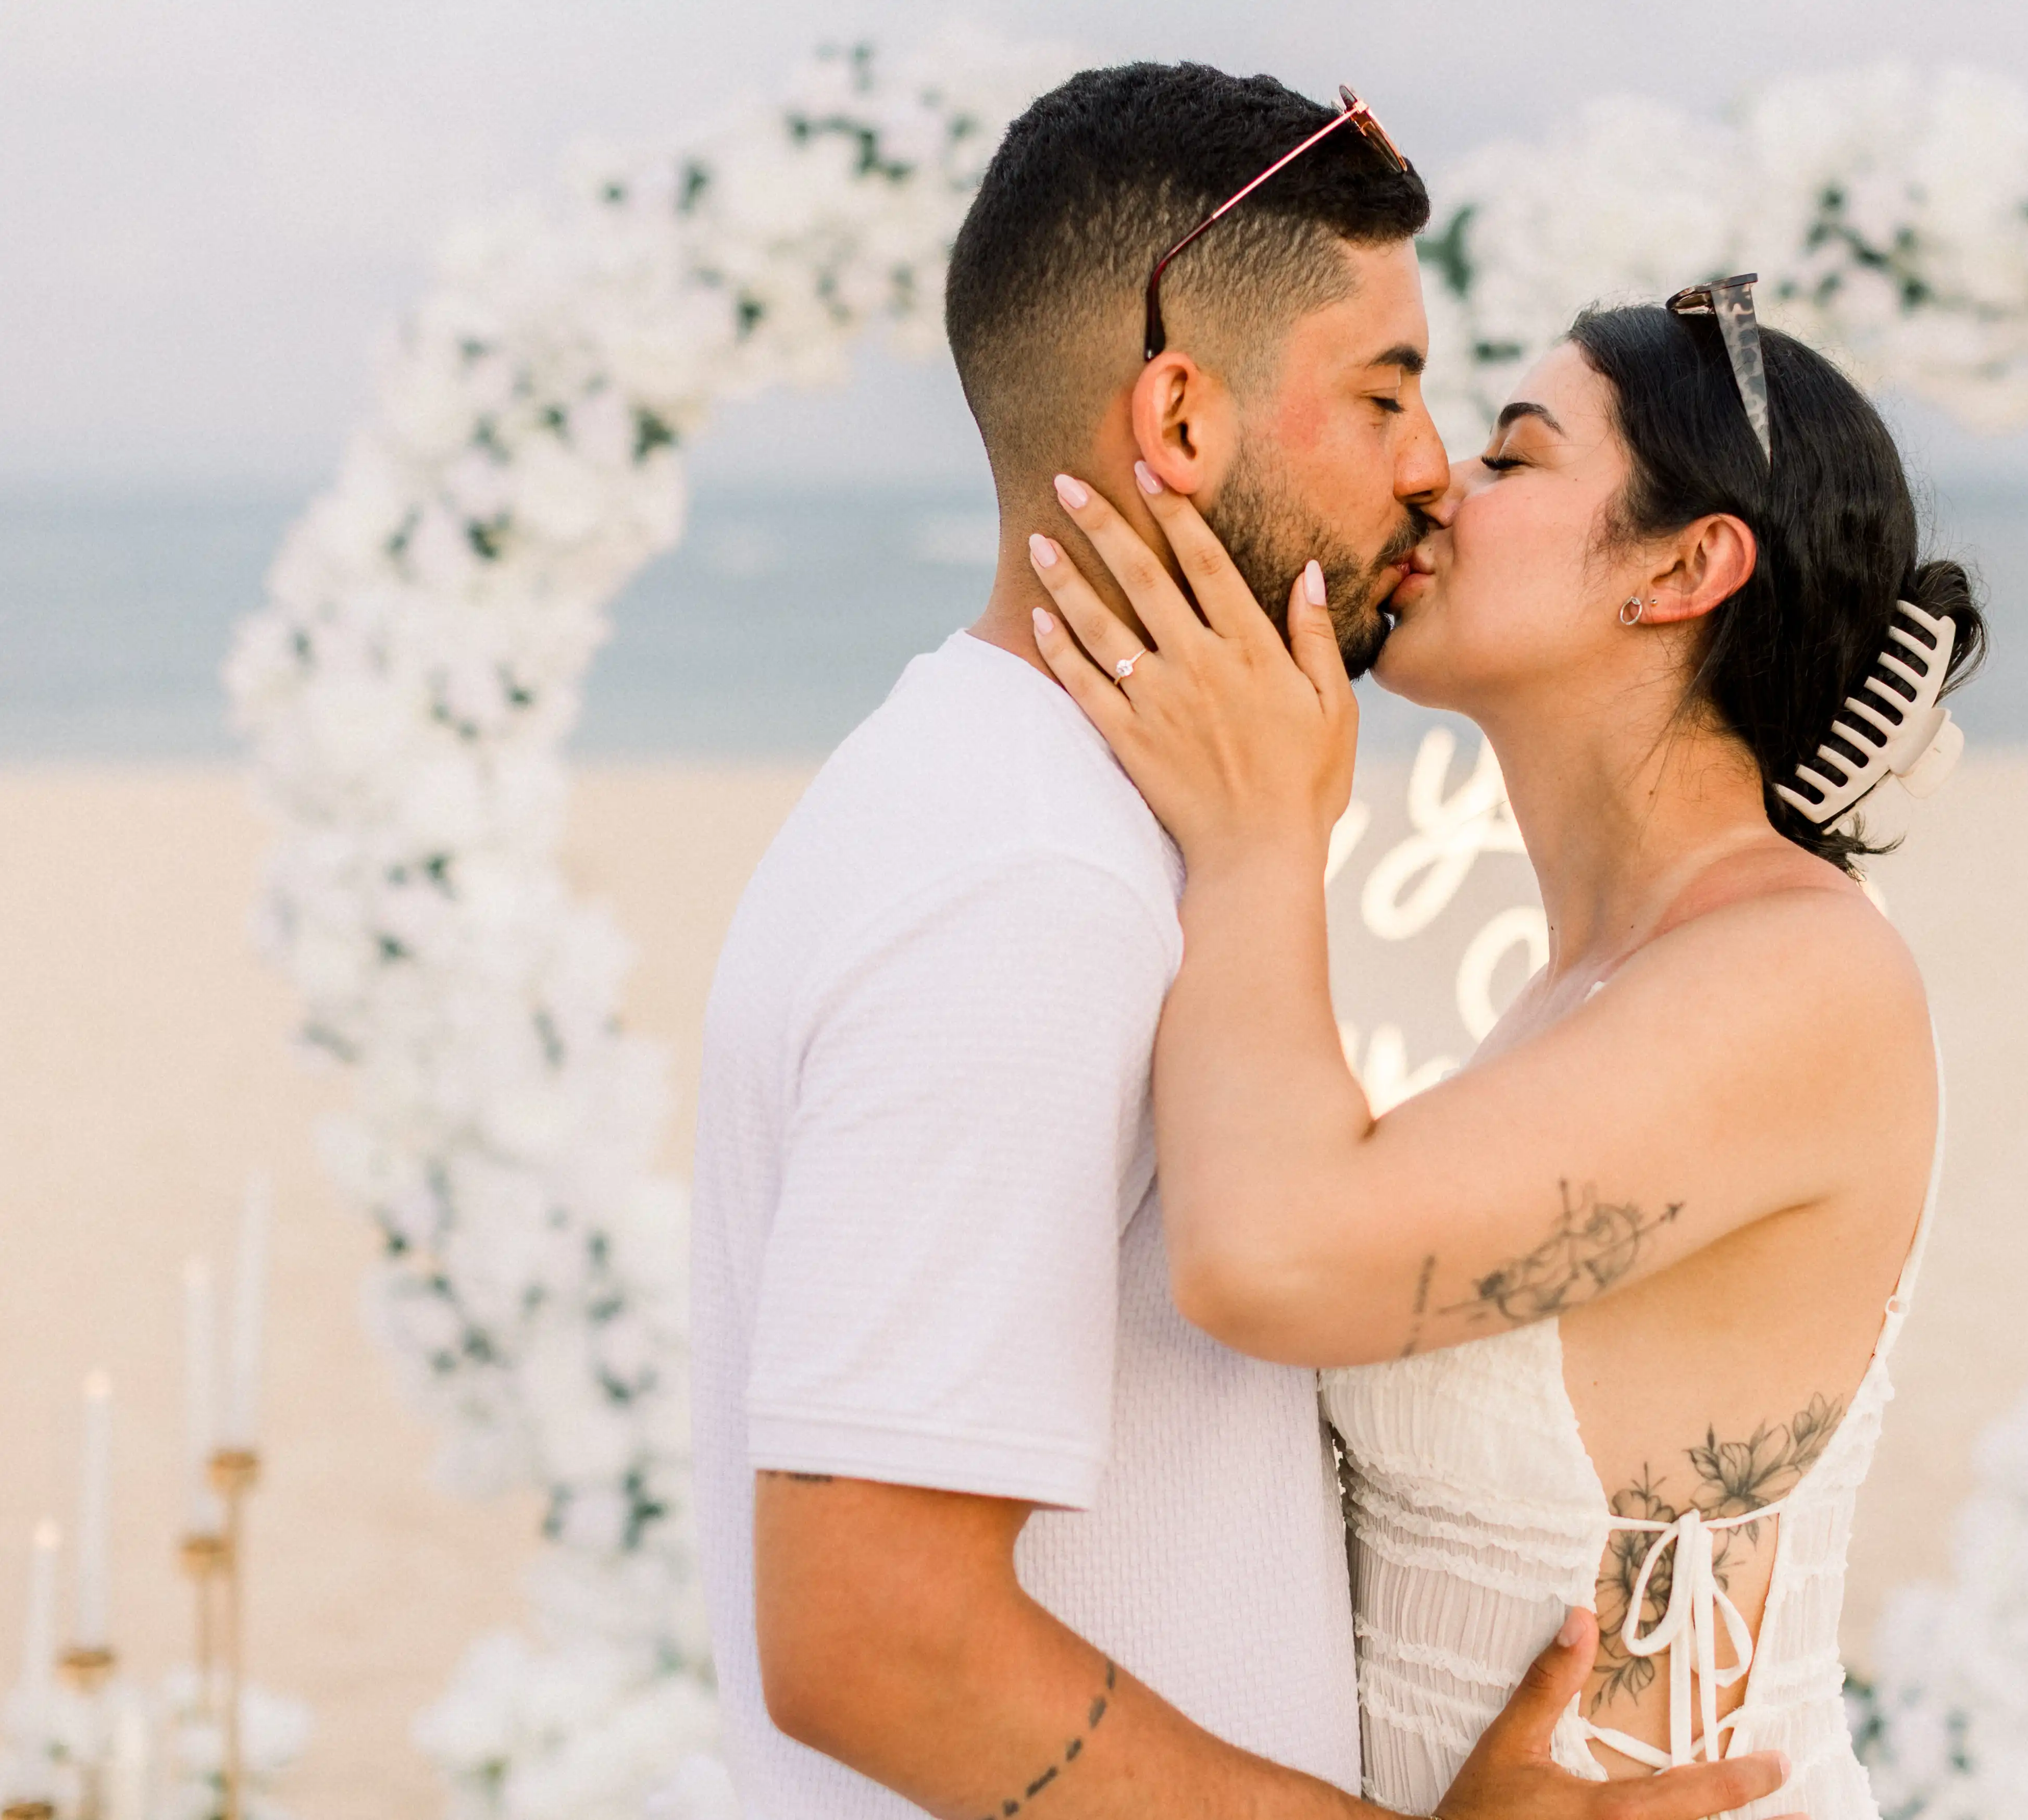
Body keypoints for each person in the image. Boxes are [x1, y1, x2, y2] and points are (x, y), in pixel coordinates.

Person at [688, 61, 1792, 1820]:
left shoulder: (1029, 802)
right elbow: (871, 1635)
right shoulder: (1028, 878)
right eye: (1386, 395)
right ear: (1183, 421)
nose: (1433, 476)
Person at [1022, 282, 1985, 1816]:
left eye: (1514, 458)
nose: (1434, 487)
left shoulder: (1803, 972)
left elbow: (1265, 1255)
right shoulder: (1592, 984)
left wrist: (1266, 834)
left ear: (1686, 565)